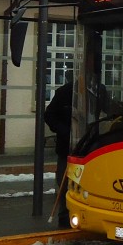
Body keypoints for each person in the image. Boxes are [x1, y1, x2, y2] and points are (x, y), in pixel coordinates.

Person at [44, 73, 73, 228]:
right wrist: (64, 130)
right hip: (66, 147)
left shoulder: (97, 91)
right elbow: (49, 115)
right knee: (63, 181)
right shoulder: (64, 92)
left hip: (90, 148)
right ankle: (64, 215)